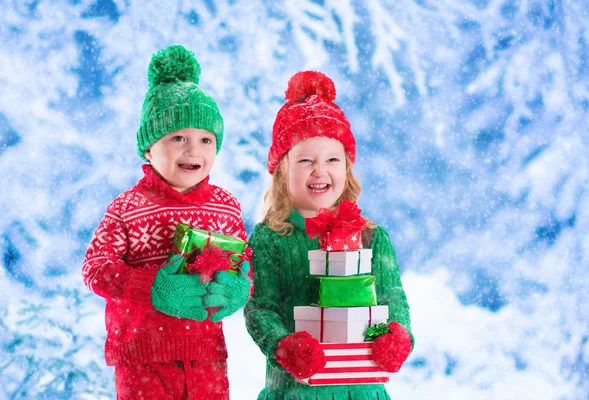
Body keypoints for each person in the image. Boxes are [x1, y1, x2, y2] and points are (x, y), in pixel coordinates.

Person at [82, 45, 252, 400]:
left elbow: (244, 265)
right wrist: (150, 288)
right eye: (178, 138)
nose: (193, 150)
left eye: (206, 139)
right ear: (148, 148)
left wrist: (237, 289)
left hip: (207, 357)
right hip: (143, 357)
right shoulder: (127, 206)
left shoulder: (225, 206)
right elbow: (96, 268)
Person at [244, 71, 413, 399]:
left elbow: (393, 296)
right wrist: (284, 347)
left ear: (346, 168)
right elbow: (260, 308)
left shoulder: (371, 237)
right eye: (305, 160)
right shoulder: (268, 239)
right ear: (282, 172)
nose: (319, 170)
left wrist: (398, 336)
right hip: (294, 392)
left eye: (332, 159)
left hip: (360, 392)